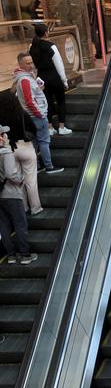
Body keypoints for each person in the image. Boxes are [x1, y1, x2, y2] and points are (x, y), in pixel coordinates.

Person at [14, 53, 64, 174]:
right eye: (28, 63)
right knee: (44, 141)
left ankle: (37, 166)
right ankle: (49, 166)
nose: (31, 65)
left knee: (36, 142)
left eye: (31, 62)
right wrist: (40, 114)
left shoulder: (25, 77)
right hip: (36, 116)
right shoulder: (25, 79)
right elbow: (29, 100)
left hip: (33, 116)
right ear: (21, 64)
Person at [0, 128, 38, 265]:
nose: (6, 136)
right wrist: (21, 179)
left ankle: (11, 255)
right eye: (4, 134)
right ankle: (25, 254)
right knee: (20, 224)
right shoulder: (7, 153)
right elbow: (11, 174)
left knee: (3, 226)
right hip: (11, 194)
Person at [29, 23, 71, 136]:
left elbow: (32, 65)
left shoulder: (32, 47)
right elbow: (59, 64)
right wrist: (64, 80)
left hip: (41, 77)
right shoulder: (51, 46)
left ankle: (50, 127)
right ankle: (62, 127)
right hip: (54, 77)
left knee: (47, 102)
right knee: (61, 101)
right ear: (46, 32)